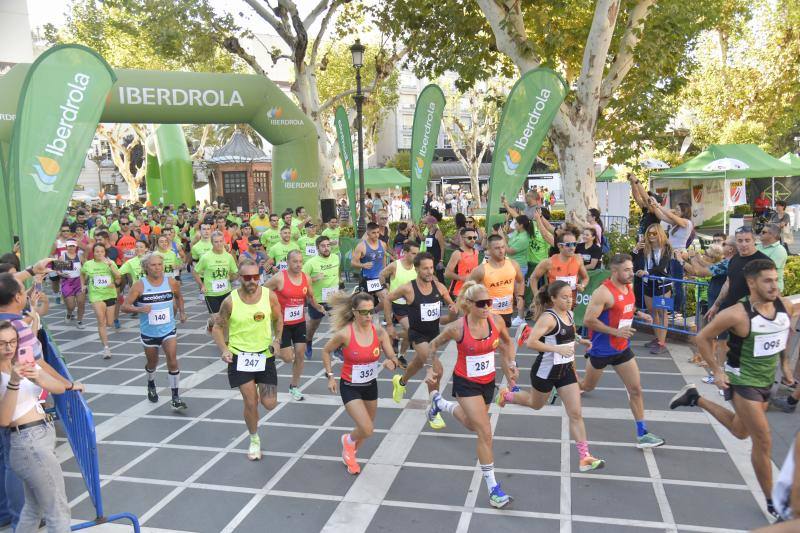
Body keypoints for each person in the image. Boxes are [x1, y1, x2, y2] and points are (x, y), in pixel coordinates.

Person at [670, 259, 797, 519]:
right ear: (751, 283)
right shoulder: (737, 314)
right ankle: (774, 502)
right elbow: (702, 338)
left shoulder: (783, 306)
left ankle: (696, 399)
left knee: (740, 432)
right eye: (768, 281)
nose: (774, 286)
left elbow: (783, 334)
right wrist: (717, 371)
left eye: (775, 280)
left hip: (766, 382)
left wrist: (785, 365)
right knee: (763, 440)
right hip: (742, 383)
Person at [424, 281, 517, 508]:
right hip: (466, 383)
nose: (487, 307)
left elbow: (506, 343)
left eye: (490, 302)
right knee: (485, 432)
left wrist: (511, 365)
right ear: (469, 304)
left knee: (471, 424)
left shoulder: (495, 321)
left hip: (487, 382)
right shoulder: (457, 328)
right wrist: (429, 367)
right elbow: (432, 346)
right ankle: (493, 489)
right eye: (482, 304)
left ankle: (439, 403)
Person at [497, 281, 605, 472]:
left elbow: (568, 335)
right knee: (535, 404)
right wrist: (556, 348)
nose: (569, 300)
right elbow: (531, 342)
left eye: (570, 296)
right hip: (545, 372)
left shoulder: (570, 315)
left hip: (565, 372)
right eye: (564, 297)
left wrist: (581, 340)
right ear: (553, 299)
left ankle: (585, 457)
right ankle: (507, 395)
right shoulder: (548, 318)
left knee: (575, 413)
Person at [581, 253, 665, 448]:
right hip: (601, 350)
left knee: (635, 389)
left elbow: (627, 306)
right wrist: (615, 332)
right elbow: (588, 320)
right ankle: (563, 384)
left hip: (622, 349)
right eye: (626, 270)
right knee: (587, 386)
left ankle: (642, 433)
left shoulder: (629, 286)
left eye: (632, 269)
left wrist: (639, 313)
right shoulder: (602, 292)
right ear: (614, 271)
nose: (631, 273)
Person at [0, 321, 72, 532]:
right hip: (27, 441)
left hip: (38, 438)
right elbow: (4, 419)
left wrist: (38, 376)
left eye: (13, 341)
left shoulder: (23, 363)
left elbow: (58, 389)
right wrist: (14, 382)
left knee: (34, 508)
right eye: (2, 343)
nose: (9, 348)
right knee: (57, 510)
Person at [211, 259, 283, 461]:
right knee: (251, 402)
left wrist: (277, 341)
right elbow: (216, 328)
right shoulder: (230, 301)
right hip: (239, 357)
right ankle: (254, 439)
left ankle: (256, 407)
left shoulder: (270, 297)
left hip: (264, 355)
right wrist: (224, 349)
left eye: (255, 277)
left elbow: (279, 319)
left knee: (269, 403)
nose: (252, 281)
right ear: (240, 278)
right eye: (247, 278)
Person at [321, 292, 400, 474]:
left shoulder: (379, 331)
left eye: (371, 311)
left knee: (365, 429)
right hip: (350, 387)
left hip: (370, 385)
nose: (368, 316)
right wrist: (330, 376)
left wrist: (392, 362)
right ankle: (348, 441)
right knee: (367, 428)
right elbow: (326, 351)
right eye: (363, 312)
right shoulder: (345, 334)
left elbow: (392, 355)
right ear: (355, 313)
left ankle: (351, 454)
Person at [387, 252, 457, 429]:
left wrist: (453, 310)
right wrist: (389, 324)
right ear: (417, 269)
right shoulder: (408, 288)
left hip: (434, 334)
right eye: (425, 268)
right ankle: (434, 409)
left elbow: (450, 310)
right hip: (417, 335)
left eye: (431, 267)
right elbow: (387, 299)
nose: (429, 271)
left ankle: (401, 382)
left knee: (418, 363)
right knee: (437, 369)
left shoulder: (439, 287)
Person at [121, 253, 187, 409]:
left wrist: (182, 312)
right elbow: (125, 307)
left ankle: (175, 397)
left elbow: (179, 297)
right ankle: (151, 383)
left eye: (159, 264)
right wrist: (140, 308)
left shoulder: (171, 282)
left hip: (168, 330)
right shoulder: (139, 285)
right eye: (153, 265)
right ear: (146, 267)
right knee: (152, 363)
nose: (157, 268)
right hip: (149, 333)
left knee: (172, 360)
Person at [265, 250, 325, 401]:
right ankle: (271, 348)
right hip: (282, 323)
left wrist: (317, 306)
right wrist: (271, 309)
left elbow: (310, 296)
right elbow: (262, 292)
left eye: (300, 261)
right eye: (295, 262)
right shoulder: (279, 278)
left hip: (299, 321)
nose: (298, 265)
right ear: (288, 262)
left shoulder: (306, 278)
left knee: (300, 354)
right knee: (287, 358)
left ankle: (294, 386)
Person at [706, 226, 770, 321]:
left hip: (752, 316)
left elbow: (770, 291)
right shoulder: (734, 259)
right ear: (736, 242)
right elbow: (727, 283)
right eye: (740, 241)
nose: (744, 244)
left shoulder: (764, 262)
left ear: (754, 240)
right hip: (731, 313)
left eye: (747, 240)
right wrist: (715, 306)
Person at [468, 234, 525, 328]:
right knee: (488, 341)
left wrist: (520, 296)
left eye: (503, 247)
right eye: (497, 248)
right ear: (489, 250)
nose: (501, 250)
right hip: (487, 313)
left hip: (506, 311)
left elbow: (520, 281)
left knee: (503, 340)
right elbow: (467, 290)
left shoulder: (513, 265)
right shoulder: (480, 270)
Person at [633, 223, 673, 354]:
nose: (651, 236)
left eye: (654, 233)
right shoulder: (644, 248)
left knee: (662, 313)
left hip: (662, 285)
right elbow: (634, 263)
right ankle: (658, 339)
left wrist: (647, 272)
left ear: (660, 234)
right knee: (653, 312)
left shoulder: (666, 248)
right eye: (649, 234)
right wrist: (635, 250)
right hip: (647, 283)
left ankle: (662, 343)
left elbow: (662, 267)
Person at [381, 241, 420, 367]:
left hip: (412, 304)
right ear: (405, 253)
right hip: (398, 304)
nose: (416, 256)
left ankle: (401, 354)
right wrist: (384, 288)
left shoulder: (417, 266)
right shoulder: (395, 265)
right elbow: (381, 274)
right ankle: (393, 336)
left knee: (413, 331)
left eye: (417, 253)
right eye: (414, 253)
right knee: (411, 330)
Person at [80, 243, 122, 359]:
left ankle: (106, 343)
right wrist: (82, 284)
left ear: (105, 253)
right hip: (96, 295)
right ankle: (106, 348)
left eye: (102, 251)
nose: (99, 253)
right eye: (97, 251)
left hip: (110, 294)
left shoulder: (110, 263)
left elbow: (118, 277)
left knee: (109, 323)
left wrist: (110, 266)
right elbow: (82, 273)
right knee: (101, 320)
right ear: (93, 252)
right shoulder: (88, 264)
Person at [529, 226, 589, 306]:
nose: (572, 248)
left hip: (571, 305)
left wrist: (582, 285)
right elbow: (533, 278)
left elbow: (585, 277)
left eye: (574, 244)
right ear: (560, 246)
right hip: (553, 305)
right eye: (569, 245)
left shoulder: (578, 259)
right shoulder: (548, 262)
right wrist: (536, 295)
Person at [303, 235, 341, 359]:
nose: (326, 248)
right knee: (314, 325)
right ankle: (308, 341)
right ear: (317, 248)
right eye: (323, 246)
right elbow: (301, 280)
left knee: (339, 323)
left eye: (328, 245)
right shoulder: (311, 263)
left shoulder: (335, 258)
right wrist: (314, 278)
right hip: (317, 300)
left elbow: (337, 273)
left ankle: (337, 349)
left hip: (333, 298)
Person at [193, 231, 238, 332]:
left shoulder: (228, 257)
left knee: (226, 319)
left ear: (224, 242)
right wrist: (201, 285)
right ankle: (211, 323)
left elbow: (235, 272)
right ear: (212, 243)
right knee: (217, 319)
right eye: (216, 242)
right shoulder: (206, 257)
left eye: (221, 241)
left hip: (226, 292)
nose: (219, 244)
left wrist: (231, 278)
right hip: (211, 294)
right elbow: (195, 272)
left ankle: (225, 342)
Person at [352, 222, 388, 306]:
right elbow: (353, 263)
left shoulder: (382, 244)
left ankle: (377, 313)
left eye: (378, 232)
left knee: (386, 299)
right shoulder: (361, 246)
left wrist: (385, 271)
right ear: (368, 233)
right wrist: (363, 265)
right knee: (367, 304)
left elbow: (383, 257)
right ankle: (372, 315)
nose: (376, 235)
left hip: (379, 278)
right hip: (367, 279)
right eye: (373, 233)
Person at [445, 226, 480, 300]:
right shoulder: (457, 253)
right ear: (462, 238)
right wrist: (462, 278)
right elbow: (447, 273)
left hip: (471, 291)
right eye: (469, 238)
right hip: (458, 292)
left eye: (474, 237)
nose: (472, 240)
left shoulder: (476, 252)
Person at [58, 239, 86, 328]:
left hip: (78, 281)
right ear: (66, 247)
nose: (71, 248)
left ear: (76, 247)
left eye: (73, 246)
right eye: (69, 246)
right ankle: (69, 313)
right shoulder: (62, 257)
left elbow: (84, 270)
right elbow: (57, 270)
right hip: (67, 282)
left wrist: (84, 283)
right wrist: (62, 273)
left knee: (81, 302)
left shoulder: (80, 256)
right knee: (71, 305)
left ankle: (80, 321)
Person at [758, 223, 788, 292]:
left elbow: (767, 269)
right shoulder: (758, 246)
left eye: (763, 232)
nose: (760, 233)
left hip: (772, 289)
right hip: (759, 287)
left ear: (773, 235)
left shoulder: (779, 250)